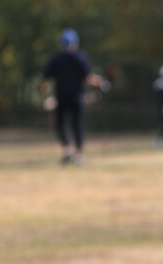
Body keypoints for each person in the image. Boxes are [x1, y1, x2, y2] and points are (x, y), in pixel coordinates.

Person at [41, 29, 102, 165]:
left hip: (61, 97)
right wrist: (99, 83)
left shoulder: (56, 59)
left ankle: (68, 149)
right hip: (76, 97)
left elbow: (44, 79)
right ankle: (78, 154)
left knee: (60, 124)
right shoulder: (80, 58)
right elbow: (89, 77)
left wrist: (43, 94)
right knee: (77, 125)